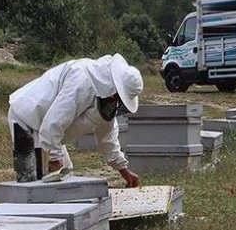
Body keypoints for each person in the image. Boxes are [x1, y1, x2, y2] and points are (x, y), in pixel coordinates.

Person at [8, 53, 143, 187]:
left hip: (47, 130)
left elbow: (107, 138)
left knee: (65, 182)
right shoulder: (81, 82)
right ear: (115, 89)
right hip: (25, 119)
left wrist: (124, 170)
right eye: (119, 97)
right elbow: (54, 122)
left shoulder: (105, 96)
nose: (118, 102)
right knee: (35, 182)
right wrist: (54, 158)